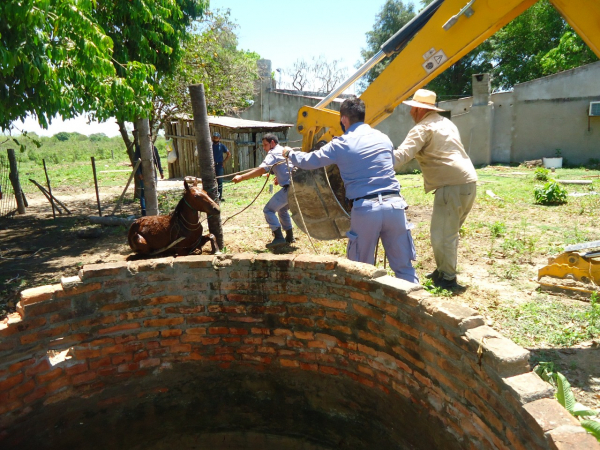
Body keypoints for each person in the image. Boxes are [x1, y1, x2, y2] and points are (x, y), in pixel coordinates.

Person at [283, 96, 418, 284]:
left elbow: (309, 161)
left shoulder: (341, 144)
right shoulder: (384, 138)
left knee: (361, 271)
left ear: (344, 119)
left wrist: (290, 153)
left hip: (365, 210)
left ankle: (364, 310)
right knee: (404, 268)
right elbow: (390, 163)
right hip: (395, 206)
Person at [394, 89, 478, 291]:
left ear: (417, 109)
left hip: (451, 185)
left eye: (412, 109)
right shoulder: (446, 123)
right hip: (468, 181)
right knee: (448, 232)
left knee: (442, 235)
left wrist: (374, 158)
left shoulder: (422, 128)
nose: (410, 113)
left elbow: (401, 156)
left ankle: (448, 280)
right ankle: (442, 270)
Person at [232, 133, 295, 249]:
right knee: (282, 209)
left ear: (272, 143)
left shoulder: (273, 153)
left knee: (268, 210)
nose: (264, 148)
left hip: (289, 188)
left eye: (265, 145)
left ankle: (279, 238)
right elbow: (289, 167)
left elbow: (261, 170)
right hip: (297, 187)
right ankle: (290, 237)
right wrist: (280, 177)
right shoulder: (285, 149)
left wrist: (241, 177)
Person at [133, 130, 164, 216]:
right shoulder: (139, 148)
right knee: (143, 193)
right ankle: (144, 212)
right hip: (143, 174)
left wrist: (161, 171)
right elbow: (136, 161)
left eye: (150, 137)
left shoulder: (153, 148)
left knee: (153, 191)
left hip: (152, 173)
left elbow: (158, 161)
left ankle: (153, 210)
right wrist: (139, 173)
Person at [212, 132, 231, 201]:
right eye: (214, 137)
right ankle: (213, 197)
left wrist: (224, 162)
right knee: (212, 182)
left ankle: (219, 197)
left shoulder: (222, 146)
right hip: (212, 166)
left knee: (220, 181)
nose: (215, 139)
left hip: (219, 165)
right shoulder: (210, 146)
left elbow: (229, 154)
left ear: (219, 139)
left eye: (216, 138)